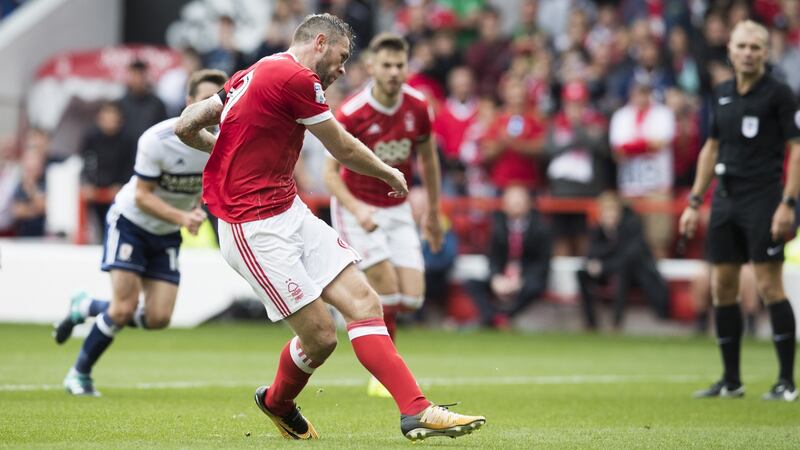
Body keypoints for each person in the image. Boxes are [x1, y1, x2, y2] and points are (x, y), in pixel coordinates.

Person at [174, 13, 484, 442]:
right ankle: (277, 402)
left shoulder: (255, 70)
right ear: (320, 43)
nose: (342, 69)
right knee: (321, 337)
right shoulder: (297, 78)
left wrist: (224, 149)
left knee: (364, 301)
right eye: (341, 58)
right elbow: (340, 145)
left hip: (289, 210)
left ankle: (417, 410)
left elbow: (187, 122)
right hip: (253, 227)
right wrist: (389, 173)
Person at [53, 70, 228, 396]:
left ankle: (87, 307)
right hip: (131, 223)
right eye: (204, 100)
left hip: (166, 233)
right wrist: (182, 216)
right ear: (189, 103)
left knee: (159, 318)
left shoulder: (224, 144)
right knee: (122, 309)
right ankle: (79, 374)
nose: (211, 109)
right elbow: (141, 196)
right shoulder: (157, 140)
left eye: (217, 101)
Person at [680, 20, 800, 402]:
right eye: (742, 46)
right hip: (725, 199)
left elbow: (797, 149)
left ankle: (786, 381)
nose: (748, 53)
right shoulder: (723, 92)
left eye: (756, 47)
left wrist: (789, 203)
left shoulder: (780, 94)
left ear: (766, 53)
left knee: (768, 286)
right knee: (722, 287)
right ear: (730, 50)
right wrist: (695, 201)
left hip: (763, 199)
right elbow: (710, 149)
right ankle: (731, 381)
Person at [322, 32, 443, 398]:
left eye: (399, 65)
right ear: (372, 67)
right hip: (357, 205)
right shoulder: (353, 112)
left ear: (407, 67)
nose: (393, 72)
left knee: (413, 299)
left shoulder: (419, 107)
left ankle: (354, 311)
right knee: (387, 290)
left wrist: (434, 213)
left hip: (398, 209)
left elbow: (429, 160)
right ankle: (384, 371)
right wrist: (357, 209)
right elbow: (330, 174)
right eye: (386, 65)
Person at [576, 191, 669, 331]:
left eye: (611, 210)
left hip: (636, 275)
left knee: (622, 272)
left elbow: (627, 258)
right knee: (582, 273)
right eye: (605, 211)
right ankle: (591, 324)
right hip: (608, 271)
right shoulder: (597, 230)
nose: (609, 215)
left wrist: (602, 266)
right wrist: (593, 265)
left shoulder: (631, 226)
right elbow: (591, 253)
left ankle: (616, 323)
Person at [464, 184, 552, 329]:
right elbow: (493, 258)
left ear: (529, 203)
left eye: (519, 200)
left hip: (526, 279)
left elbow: (542, 264)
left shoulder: (541, 228)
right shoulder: (497, 226)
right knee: (472, 283)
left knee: (534, 287)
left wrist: (521, 279)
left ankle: (504, 317)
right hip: (503, 277)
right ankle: (491, 317)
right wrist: (496, 278)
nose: (515, 204)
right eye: (511, 200)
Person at [79, 101, 137, 242]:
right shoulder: (91, 138)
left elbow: (130, 166)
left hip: (118, 190)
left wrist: (121, 185)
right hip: (95, 189)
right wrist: (87, 183)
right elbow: (86, 162)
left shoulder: (128, 140)